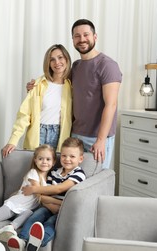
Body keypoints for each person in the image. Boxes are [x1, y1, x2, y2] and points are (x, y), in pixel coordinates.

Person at [27, 19, 122, 168]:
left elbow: (111, 105)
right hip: (75, 135)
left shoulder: (107, 65)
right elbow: (57, 84)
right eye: (77, 36)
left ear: (95, 37)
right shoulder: (76, 66)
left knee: (95, 181)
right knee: (73, 181)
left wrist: (101, 140)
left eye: (86, 35)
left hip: (96, 137)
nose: (82, 39)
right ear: (72, 40)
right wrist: (36, 85)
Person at [7, 137, 85, 251]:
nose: (67, 159)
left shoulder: (78, 174)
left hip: (63, 211)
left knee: (51, 223)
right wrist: (53, 203)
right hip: (48, 207)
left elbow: (59, 189)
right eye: (64, 156)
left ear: (81, 159)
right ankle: (22, 240)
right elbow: (42, 197)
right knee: (35, 217)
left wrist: (34, 189)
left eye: (72, 156)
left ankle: (38, 242)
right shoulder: (54, 172)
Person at [2, 44, 72, 158]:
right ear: (48, 63)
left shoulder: (71, 85)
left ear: (67, 59)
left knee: (54, 173)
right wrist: (13, 140)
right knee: (35, 172)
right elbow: (25, 114)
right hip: (39, 134)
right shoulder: (38, 84)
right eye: (52, 60)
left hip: (61, 136)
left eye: (60, 57)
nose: (57, 62)